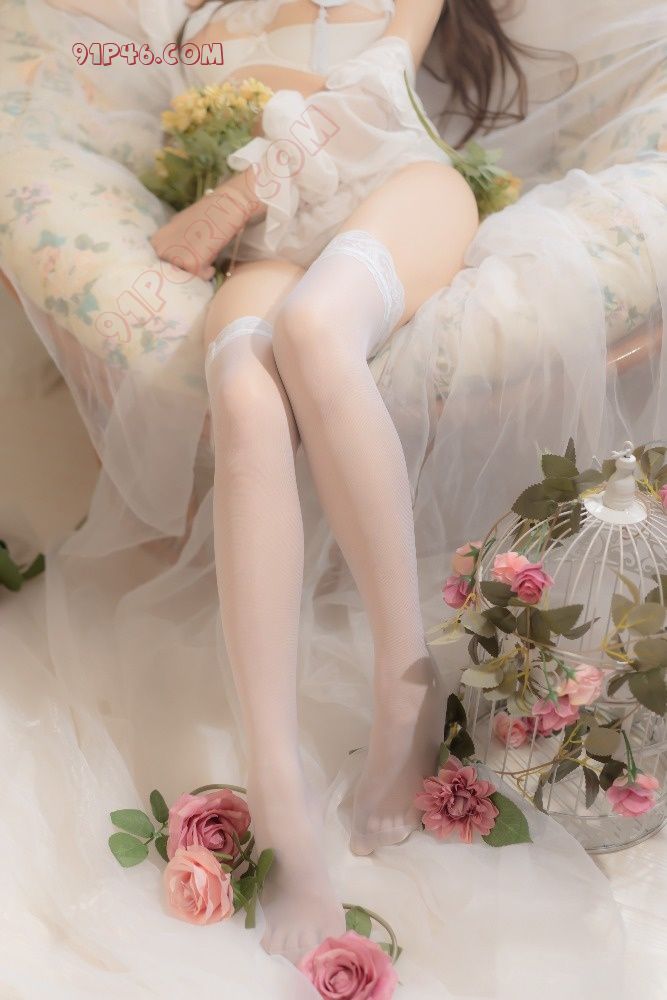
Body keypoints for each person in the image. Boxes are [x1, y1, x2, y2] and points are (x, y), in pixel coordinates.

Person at [146, 0, 522, 964]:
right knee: (243, 394)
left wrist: (230, 197)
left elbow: (362, 95)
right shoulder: (209, 28)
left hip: (400, 190)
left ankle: (406, 684)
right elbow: (203, 137)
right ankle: (276, 782)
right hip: (270, 244)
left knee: (315, 329)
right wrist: (223, 198)